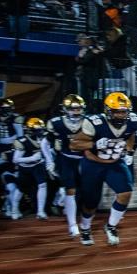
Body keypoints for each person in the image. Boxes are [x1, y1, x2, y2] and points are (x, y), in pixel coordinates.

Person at [70, 92, 137, 246]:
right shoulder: (94, 122)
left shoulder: (133, 120)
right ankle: (85, 228)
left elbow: (130, 135)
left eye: (124, 111)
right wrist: (94, 145)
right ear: (108, 110)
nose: (121, 115)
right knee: (91, 203)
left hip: (115, 162)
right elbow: (74, 144)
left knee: (125, 192)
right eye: (117, 112)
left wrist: (129, 150)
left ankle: (111, 226)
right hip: (93, 164)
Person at [42, 94, 87, 237]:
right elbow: (45, 142)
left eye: (79, 109)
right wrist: (49, 160)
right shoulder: (57, 123)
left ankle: (76, 216)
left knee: (85, 192)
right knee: (70, 190)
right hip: (66, 159)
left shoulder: (89, 121)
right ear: (65, 109)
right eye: (73, 109)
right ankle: (72, 225)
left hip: (84, 160)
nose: (76, 112)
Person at [12, 117, 50, 220]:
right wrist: (31, 158)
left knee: (42, 185)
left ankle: (41, 211)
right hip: (25, 167)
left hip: (37, 165)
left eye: (41, 130)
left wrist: (49, 162)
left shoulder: (43, 139)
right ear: (30, 130)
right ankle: (14, 210)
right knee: (20, 189)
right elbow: (15, 159)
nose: (40, 132)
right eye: (38, 130)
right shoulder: (23, 141)